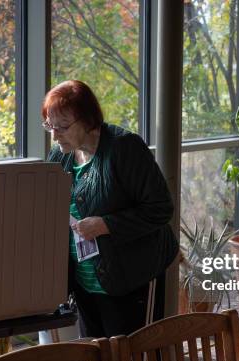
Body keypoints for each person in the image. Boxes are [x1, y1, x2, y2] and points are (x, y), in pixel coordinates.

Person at [43, 79, 179, 338]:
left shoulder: (124, 148)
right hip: (84, 280)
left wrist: (105, 225)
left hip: (130, 277)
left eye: (62, 126)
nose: (54, 134)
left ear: (88, 119)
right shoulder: (59, 155)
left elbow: (160, 208)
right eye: (49, 125)